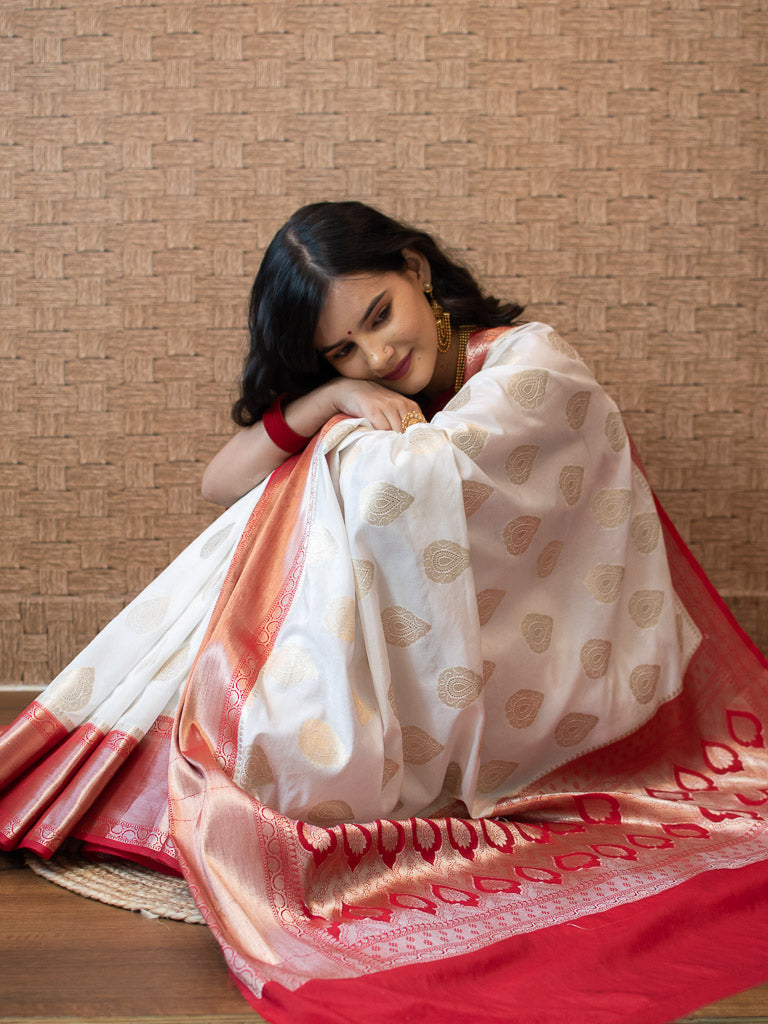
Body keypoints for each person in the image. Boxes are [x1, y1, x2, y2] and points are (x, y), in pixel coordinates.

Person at [1, 201, 766, 1024]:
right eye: (343, 347)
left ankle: (306, 752)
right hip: (408, 661)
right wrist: (332, 398)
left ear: (417, 269)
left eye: (379, 316)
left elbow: (417, 481)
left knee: (341, 487)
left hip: (531, 665)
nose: (379, 353)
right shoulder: (355, 385)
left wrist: (333, 443)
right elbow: (220, 485)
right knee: (290, 502)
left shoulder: (530, 362)